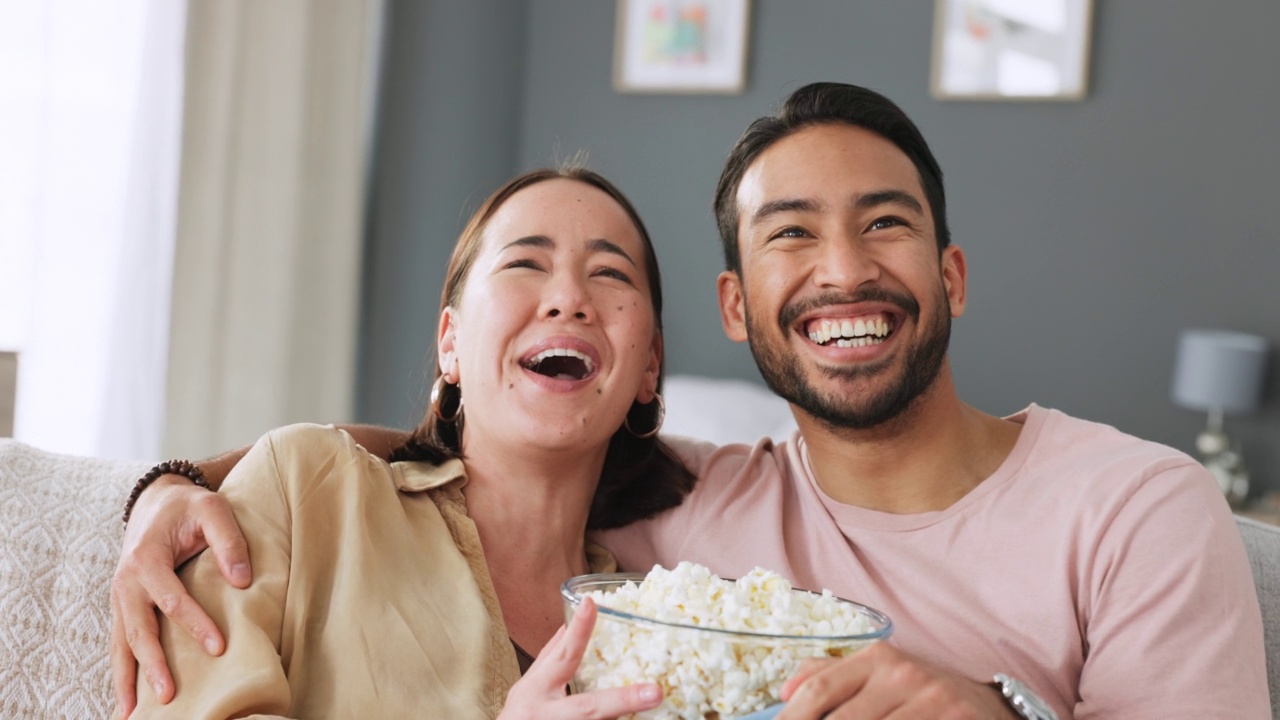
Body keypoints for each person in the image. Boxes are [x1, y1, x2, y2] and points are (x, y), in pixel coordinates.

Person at [113, 83, 1270, 719]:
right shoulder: (691, 520)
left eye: (884, 223)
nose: (841, 270)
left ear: (950, 274)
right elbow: (464, 457)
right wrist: (172, 485)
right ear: (733, 307)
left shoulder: (1137, 507)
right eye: (790, 237)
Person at [112, 164, 700, 718]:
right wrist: (158, 488)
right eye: (525, 263)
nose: (569, 298)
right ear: (451, 342)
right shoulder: (306, 487)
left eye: (610, 273)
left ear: (649, 364)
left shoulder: (658, 624)